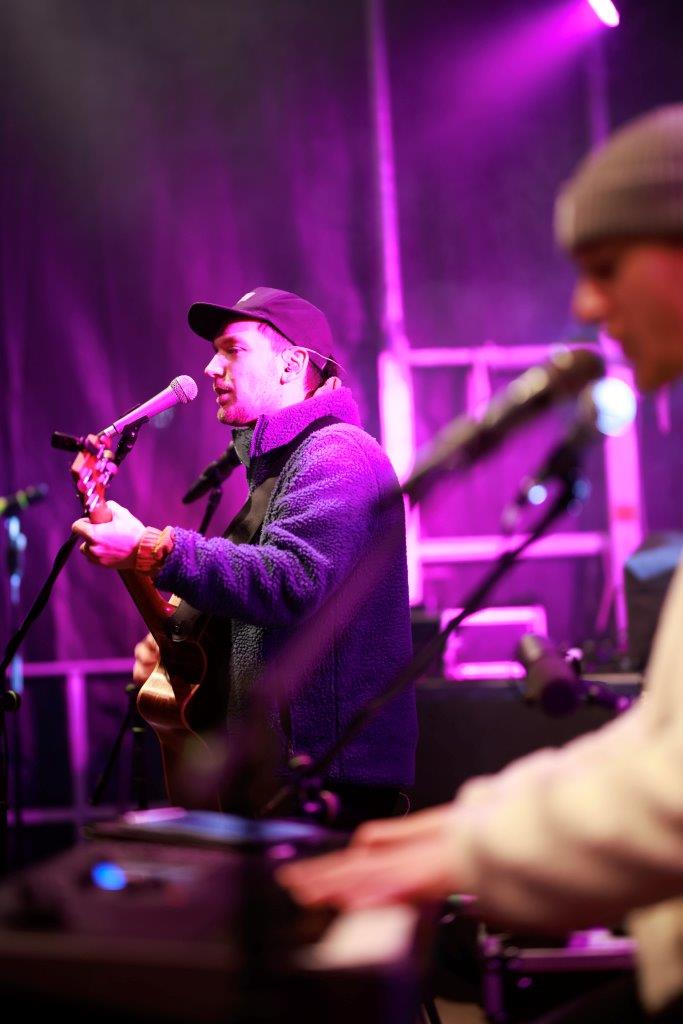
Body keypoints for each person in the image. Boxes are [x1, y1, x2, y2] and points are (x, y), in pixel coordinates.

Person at [278, 105, 683, 1023]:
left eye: (605, 268)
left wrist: (466, 852)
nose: (585, 307)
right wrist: (463, 828)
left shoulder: (333, 458)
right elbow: (664, 742)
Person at [72, 286, 418, 827]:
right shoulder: (285, 467)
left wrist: (152, 547)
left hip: (329, 788)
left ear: (292, 365)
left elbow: (291, 581)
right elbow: (262, 619)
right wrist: (181, 645)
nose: (211, 367)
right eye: (215, 352)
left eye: (233, 350)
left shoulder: (338, 453)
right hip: (284, 781)